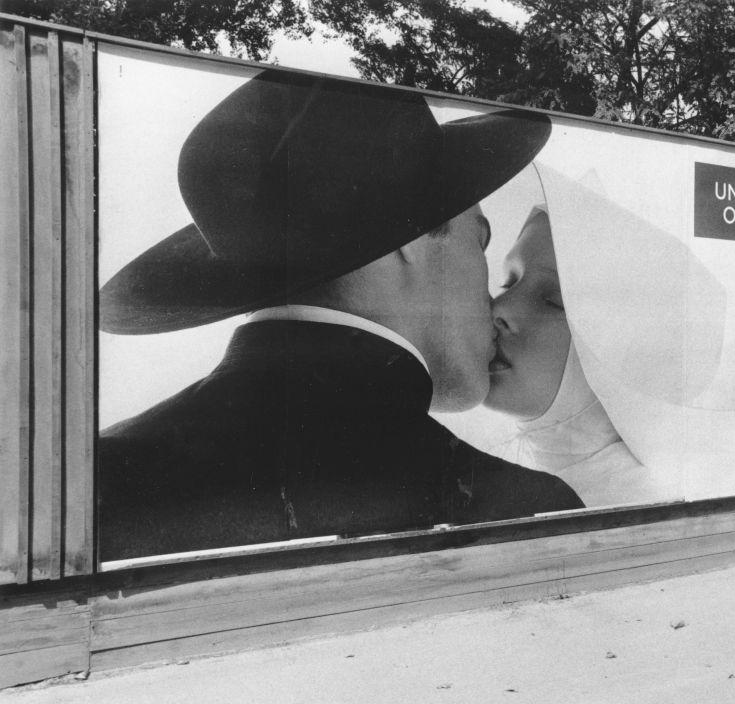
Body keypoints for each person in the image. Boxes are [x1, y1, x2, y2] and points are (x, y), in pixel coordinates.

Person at [97, 70, 583, 560]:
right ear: (413, 238)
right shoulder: (519, 512)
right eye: (479, 240)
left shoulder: (85, 477)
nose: (493, 301)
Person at [484, 206, 672, 507]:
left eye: (551, 301)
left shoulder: (634, 508)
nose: (499, 307)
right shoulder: (501, 483)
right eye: (509, 282)